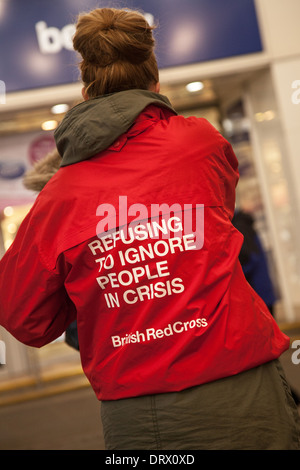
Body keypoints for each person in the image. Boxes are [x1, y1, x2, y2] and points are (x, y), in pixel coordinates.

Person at [0, 7, 299, 450]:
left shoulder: (59, 198)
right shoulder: (200, 143)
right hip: (244, 392)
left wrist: (96, 284)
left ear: (85, 92)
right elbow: (217, 216)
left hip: (142, 415)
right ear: (155, 85)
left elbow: (24, 318)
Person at [232, 210, 276, 316]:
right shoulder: (244, 224)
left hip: (257, 293)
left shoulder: (239, 226)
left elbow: (251, 258)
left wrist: (234, 273)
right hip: (263, 290)